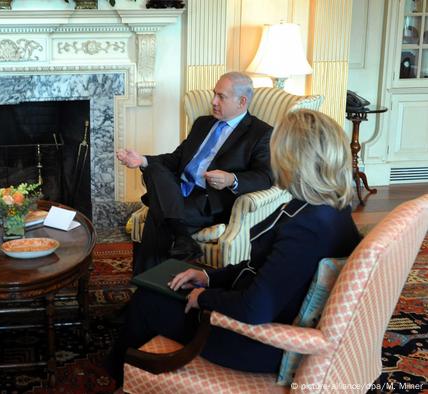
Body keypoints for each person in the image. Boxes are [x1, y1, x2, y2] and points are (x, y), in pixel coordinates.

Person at [106, 109, 362, 384]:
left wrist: (204, 298)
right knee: (166, 285)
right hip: (268, 314)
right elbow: (267, 267)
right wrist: (208, 277)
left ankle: (120, 377)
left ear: (292, 159)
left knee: (147, 302)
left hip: (260, 342)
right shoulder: (328, 209)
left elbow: (256, 309)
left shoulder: (309, 227)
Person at [117, 72, 273, 275]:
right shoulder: (203, 123)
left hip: (208, 200)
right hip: (177, 190)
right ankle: (181, 237)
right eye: (214, 94)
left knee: (159, 218)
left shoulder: (260, 133)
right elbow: (176, 159)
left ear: (242, 101)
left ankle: (143, 290)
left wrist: (231, 179)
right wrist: (142, 160)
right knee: (153, 168)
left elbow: (266, 176)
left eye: (221, 96)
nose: (213, 101)